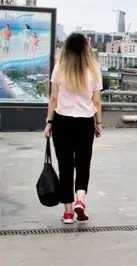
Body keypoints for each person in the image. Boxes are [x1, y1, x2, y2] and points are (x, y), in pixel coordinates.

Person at [44, 32, 103, 224]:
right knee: (83, 164)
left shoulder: (59, 68)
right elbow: (96, 101)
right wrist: (98, 123)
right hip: (85, 122)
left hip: (62, 121)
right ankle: (81, 200)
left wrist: (49, 123)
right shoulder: (94, 69)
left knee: (65, 166)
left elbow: (53, 98)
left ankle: (68, 212)